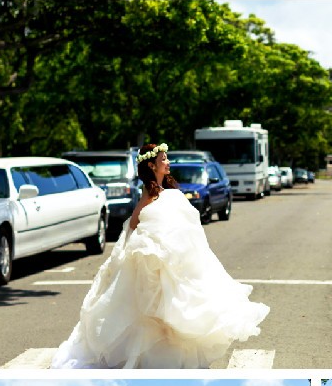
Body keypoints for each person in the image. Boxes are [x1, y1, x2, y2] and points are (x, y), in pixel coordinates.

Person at [51, 142, 269, 369]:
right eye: (163, 159)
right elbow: (135, 222)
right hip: (156, 254)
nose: (168, 162)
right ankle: (156, 357)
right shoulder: (149, 191)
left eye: (166, 158)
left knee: (181, 301)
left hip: (179, 253)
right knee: (156, 308)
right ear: (152, 165)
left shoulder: (170, 190)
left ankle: (173, 354)